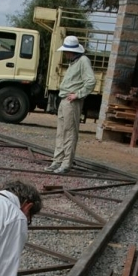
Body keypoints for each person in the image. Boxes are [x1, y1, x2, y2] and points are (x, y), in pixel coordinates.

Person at [45, 35, 96, 174]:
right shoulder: (74, 61)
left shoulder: (83, 61)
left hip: (72, 101)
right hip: (65, 100)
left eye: (66, 51)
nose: (65, 54)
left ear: (71, 51)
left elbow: (91, 81)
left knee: (69, 132)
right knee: (61, 132)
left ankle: (66, 163)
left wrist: (78, 94)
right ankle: (57, 161)